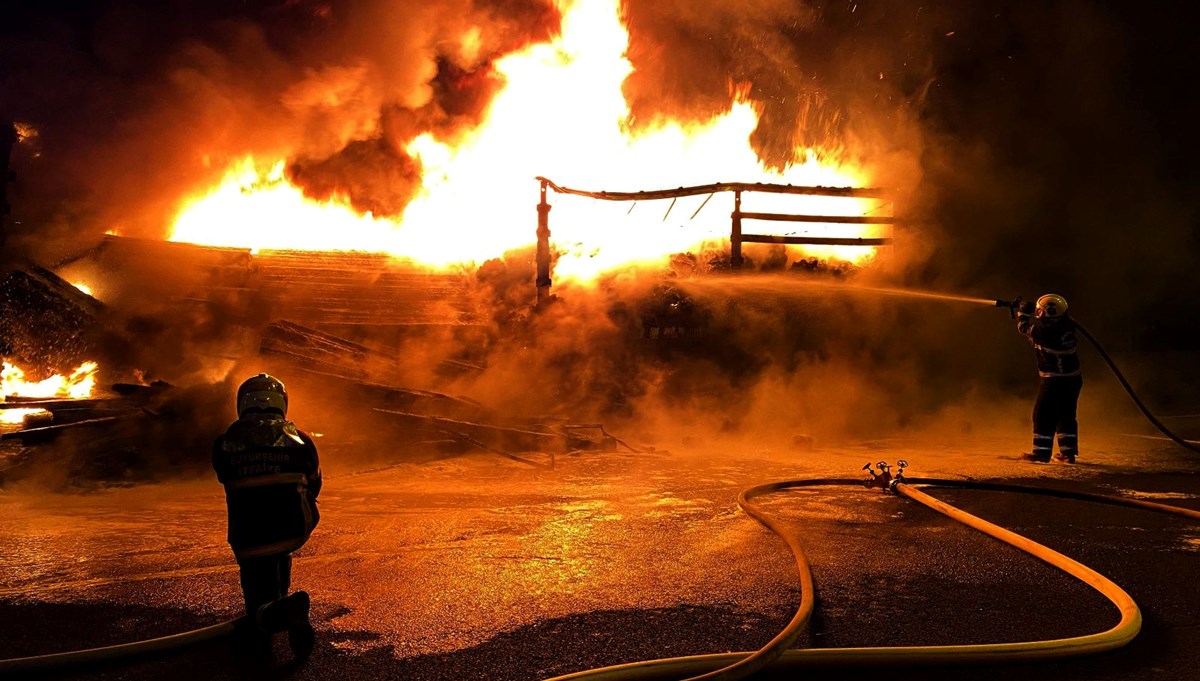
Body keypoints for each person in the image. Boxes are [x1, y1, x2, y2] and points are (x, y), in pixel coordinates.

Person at [213, 373, 321, 654]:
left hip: (248, 536)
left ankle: (270, 612)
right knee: (280, 547)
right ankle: (281, 600)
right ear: (282, 403)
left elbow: (224, 475)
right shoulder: (300, 438)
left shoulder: (225, 442)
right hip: (294, 529)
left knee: (257, 606)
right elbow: (315, 481)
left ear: (242, 403)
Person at [1016, 294, 1082, 463]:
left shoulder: (1043, 331)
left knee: (1042, 414)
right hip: (1072, 379)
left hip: (1054, 380)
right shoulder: (1067, 325)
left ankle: (1041, 452)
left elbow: (1023, 328)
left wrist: (1022, 314)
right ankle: (1068, 452)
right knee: (1065, 414)